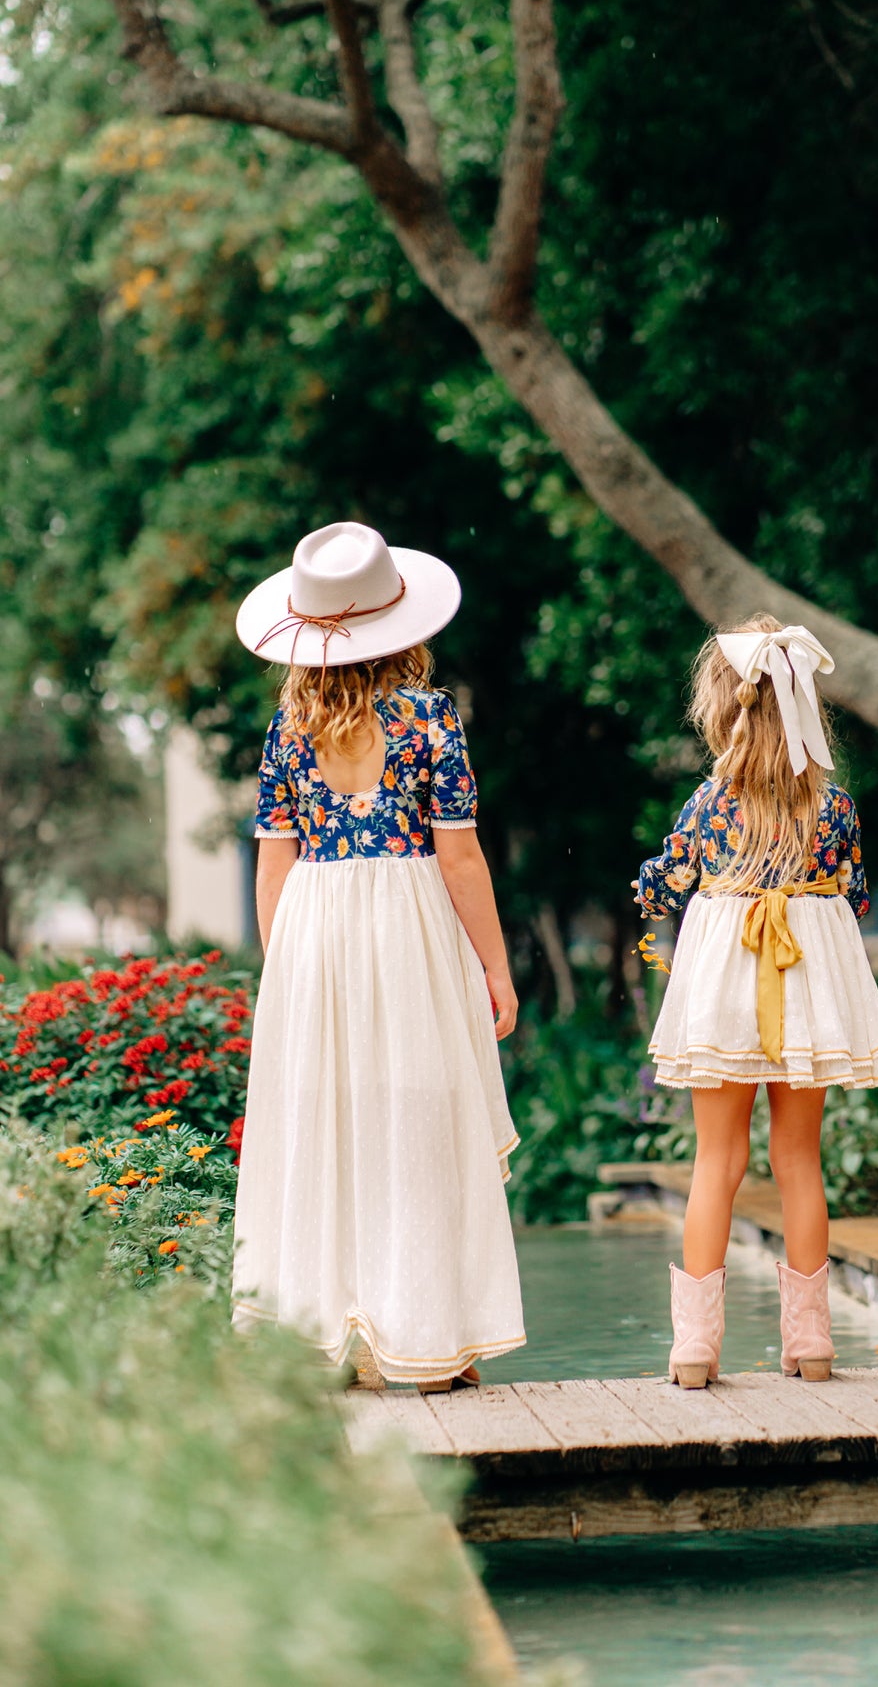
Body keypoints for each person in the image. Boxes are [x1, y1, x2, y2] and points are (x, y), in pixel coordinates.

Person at [231, 520, 524, 1389]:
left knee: (331, 1123)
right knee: (417, 1118)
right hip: (408, 926)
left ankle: (335, 1344)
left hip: (315, 929)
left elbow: (272, 862)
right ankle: (427, 1340)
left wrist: (282, 971)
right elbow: (460, 855)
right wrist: (496, 966)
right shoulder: (431, 717)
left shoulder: (290, 724)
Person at [634, 615, 878, 1388]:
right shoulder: (836, 808)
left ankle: (695, 1348)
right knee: (798, 1160)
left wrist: (653, 888)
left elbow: (665, 883)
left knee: (716, 1160)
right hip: (806, 986)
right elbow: (855, 894)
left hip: (725, 981)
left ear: (721, 707)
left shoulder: (709, 805)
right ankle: (811, 1344)